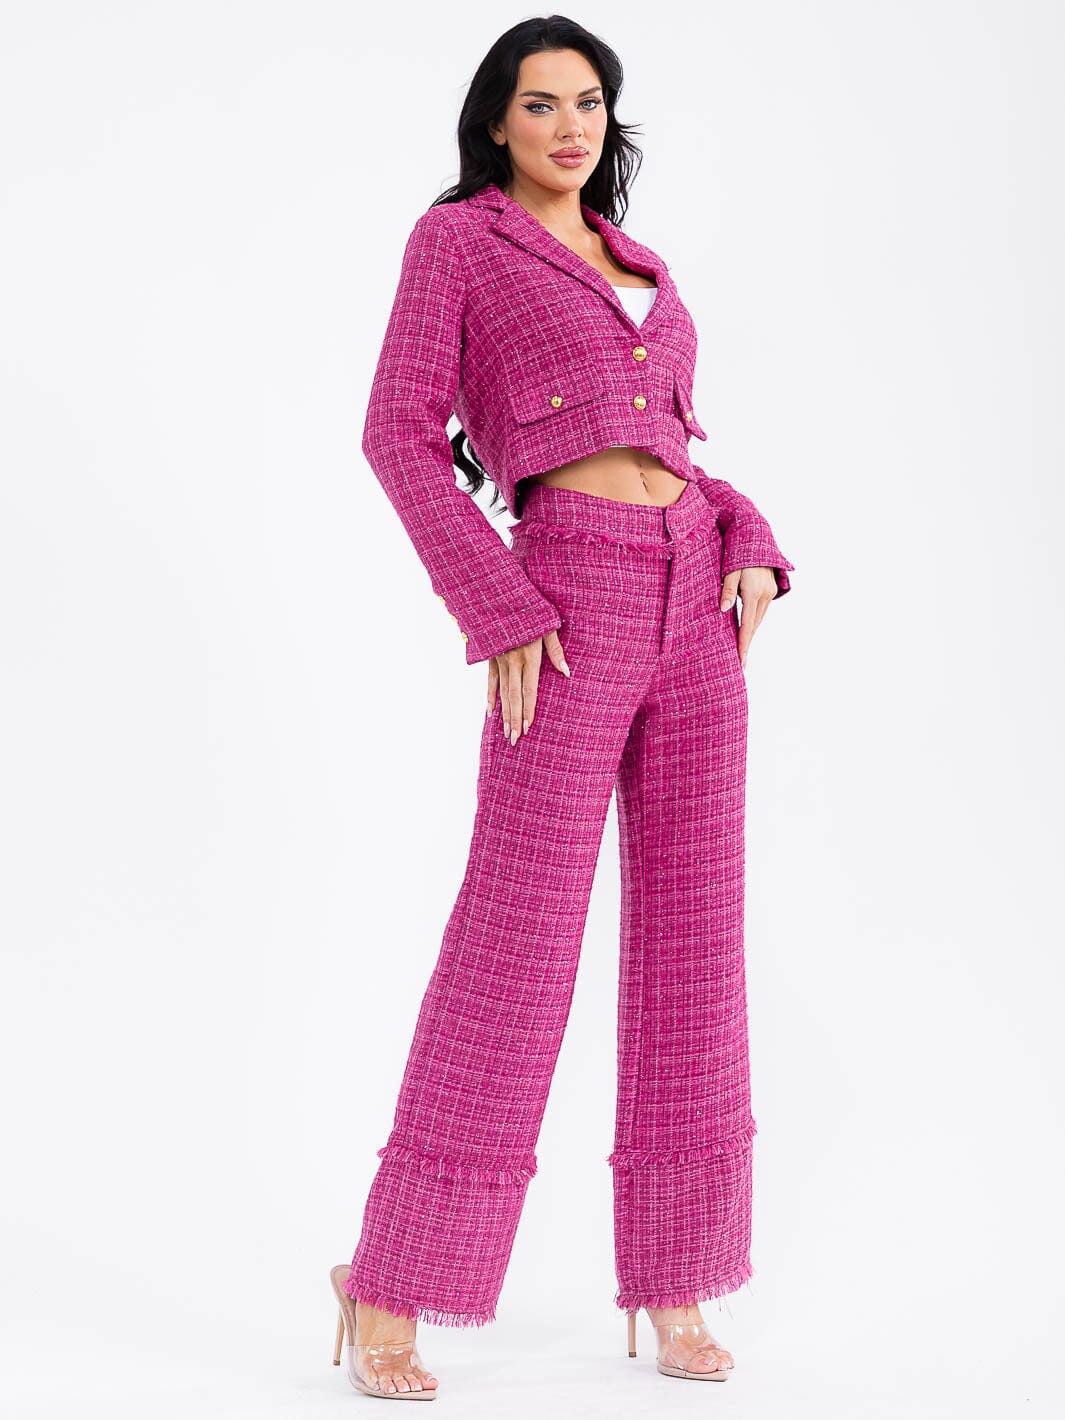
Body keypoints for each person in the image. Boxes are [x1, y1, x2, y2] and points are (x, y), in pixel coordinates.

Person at [329, 15, 795, 1400]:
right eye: (539, 105)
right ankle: (390, 1281)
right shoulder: (458, 244)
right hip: (568, 594)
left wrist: (748, 531)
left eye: (587, 103)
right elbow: (395, 434)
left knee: (696, 940)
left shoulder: (640, 264)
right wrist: (499, 602)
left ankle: (675, 1280)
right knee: (515, 939)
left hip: (699, 602)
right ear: (496, 121)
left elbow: (673, 449)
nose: (568, 126)